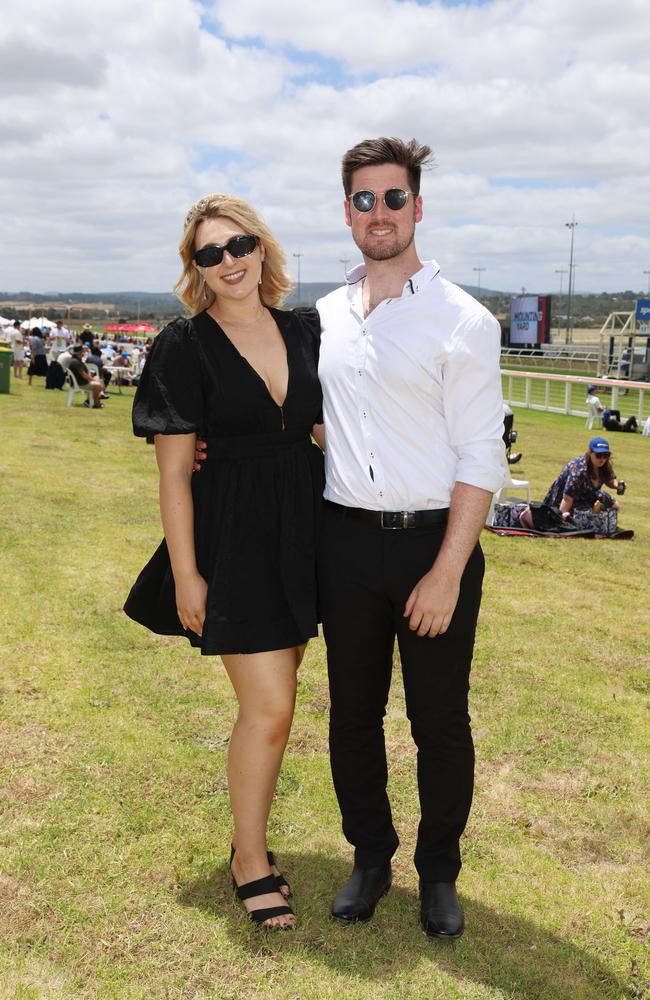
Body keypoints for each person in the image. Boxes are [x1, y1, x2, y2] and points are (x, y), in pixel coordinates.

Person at [315, 137, 505, 940]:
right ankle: (370, 856)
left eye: (394, 199)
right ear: (348, 212)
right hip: (345, 546)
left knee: (439, 720)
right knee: (352, 716)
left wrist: (448, 570)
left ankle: (438, 873)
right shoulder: (323, 315)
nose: (380, 214)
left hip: (434, 544)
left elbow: (479, 453)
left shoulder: (463, 319)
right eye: (365, 200)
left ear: (418, 208)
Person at [123, 194, 324, 930]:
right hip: (232, 538)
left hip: (303, 532)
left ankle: (250, 842)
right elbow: (174, 472)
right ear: (196, 269)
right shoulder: (184, 345)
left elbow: (328, 424)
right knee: (268, 708)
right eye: (210, 253)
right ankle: (249, 858)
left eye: (238, 245)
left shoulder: (306, 328)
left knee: (281, 696)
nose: (229, 262)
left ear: (261, 247)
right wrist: (186, 573)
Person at [543, 436, 623, 514]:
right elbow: (567, 498)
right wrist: (562, 518)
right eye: (598, 455)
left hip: (588, 494)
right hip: (566, 500)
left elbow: (609, 480)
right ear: (590, 453)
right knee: (582, 518)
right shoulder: (579, 470)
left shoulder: (604, 465)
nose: (602, 459)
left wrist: (617, 485)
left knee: (615, 506)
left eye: (606, 455)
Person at [67, 344, 106, 408]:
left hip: (80, 381)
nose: (84, 353)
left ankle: (90, 400)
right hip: (81, 383)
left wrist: (93, 378)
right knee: (98, 386)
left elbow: (85, 373)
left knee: (97, 378)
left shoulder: (76, 360)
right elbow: (84, 375)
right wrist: (93, 380)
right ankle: (96, 403)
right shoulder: (76, 362)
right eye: (83, 352)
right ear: (79, 353)